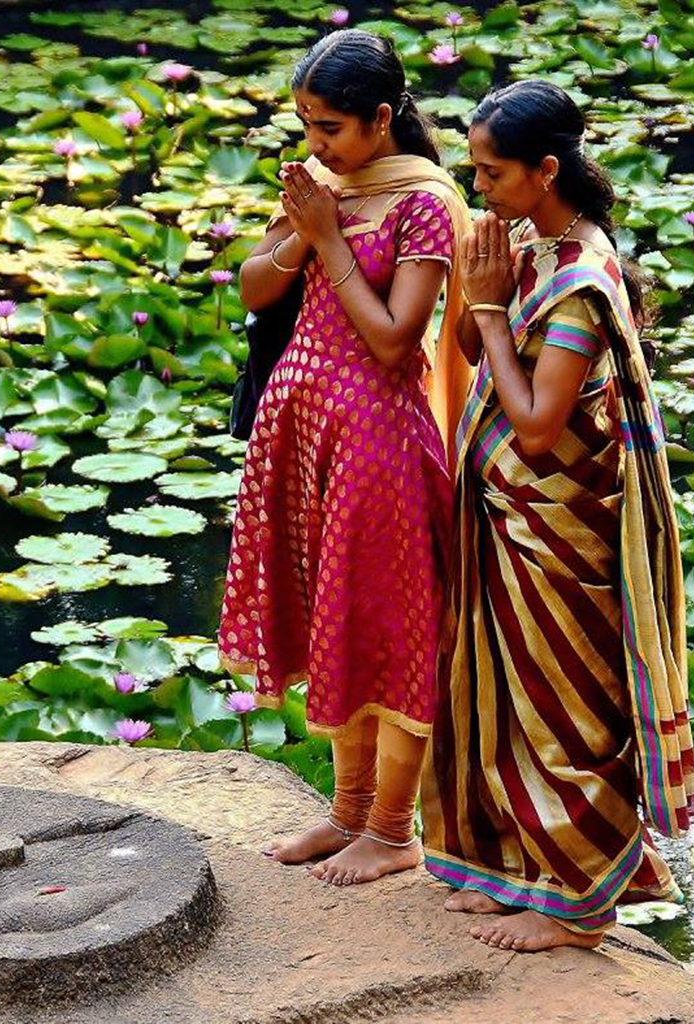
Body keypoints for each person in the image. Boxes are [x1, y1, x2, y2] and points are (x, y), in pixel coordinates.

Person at [420, 80, 694, 951]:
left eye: (492, 173)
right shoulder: (531, 245)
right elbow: (472, 351)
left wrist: (496, 310)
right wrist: (479, 295)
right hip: (505, 516)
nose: (479, 189)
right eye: (473, 170)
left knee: (566, 704)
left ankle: (582, 904)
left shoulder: (581, 279)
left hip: (558, 521)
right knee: (505, 694)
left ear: (546, 171)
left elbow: (539, 427)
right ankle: (520, 867)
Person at [218, 29, 472, 886]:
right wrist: (300, 232)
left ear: (378, 118)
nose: (314, 144)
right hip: (301, 433)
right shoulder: (324, 185)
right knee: (330, 619)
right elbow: (255, 289)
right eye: (305, 125)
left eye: (328, 127)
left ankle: (394, 829)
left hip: (376, 438)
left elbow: (399, 341)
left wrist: (327, 236)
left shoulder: (423, 201)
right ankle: (345, 813)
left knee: (385, 628)